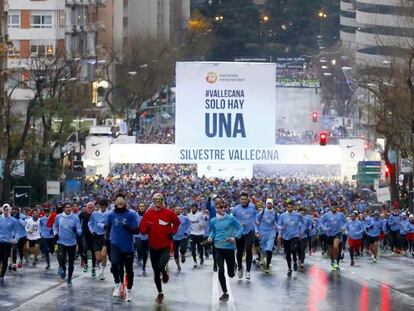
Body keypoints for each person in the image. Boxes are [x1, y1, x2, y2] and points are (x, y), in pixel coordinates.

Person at [139, 193, 180, 304]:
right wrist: (146, 228)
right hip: (153, 247)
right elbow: (141, 228)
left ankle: (165, 272)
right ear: (153, 201)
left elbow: (177, 223)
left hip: (165, 246)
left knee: (161, 265)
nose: (158, 201)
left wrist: (173, 232)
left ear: (162, 201)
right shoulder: (148, 214)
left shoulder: (169, 213)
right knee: (156, 271)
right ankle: (160, 293)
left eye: (160, 200)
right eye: (155, 200)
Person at [208, 196, 243, 302]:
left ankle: (235, 266)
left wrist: (235, 237)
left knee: (231, 274)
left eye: (224, 207)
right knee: (221, 270)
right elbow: (213, 231)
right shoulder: (213, 220)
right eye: (220, 207)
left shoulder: (231, 218)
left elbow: (240, 228)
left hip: (229, 248)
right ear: (216, 209)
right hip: (218, 247)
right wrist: (210, 237)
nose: (222, 209)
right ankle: (225, 292)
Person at [106, 194, 138, 302]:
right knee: (114, 264)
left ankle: (128, 290)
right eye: (118, 203)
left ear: (125, 203)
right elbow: (108, 227)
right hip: (115, 243)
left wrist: (128, 227)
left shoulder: (131, 214)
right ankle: (117, 284)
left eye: (122, 203)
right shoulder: (110, 214)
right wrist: (106, 239)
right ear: (115, 203)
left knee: (129, 270)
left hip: (128, 246)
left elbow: (136, 230)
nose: (119, 205)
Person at [53, 202, 82, 286]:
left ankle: (69, 279)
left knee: (71, 262)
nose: (68, 208)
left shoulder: (75, 218)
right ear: (63, 209)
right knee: (61, 258)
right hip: (61, 241)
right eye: (66, 207)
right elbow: (54, 226)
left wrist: (76, 231)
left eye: (70, 207)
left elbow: (80, 231)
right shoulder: (59, 217)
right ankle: (63, 267)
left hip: (72, 243)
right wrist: (55, 234)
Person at [232, 192, 256, 280]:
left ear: (248, 200)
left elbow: (255, 216)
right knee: (239, 251)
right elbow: (232, 220)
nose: (243, 201)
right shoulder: (235, 209)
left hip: (249, 231)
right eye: (242, 199)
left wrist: (256, 224)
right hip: (239, 232)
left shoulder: (252, 207)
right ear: (239, 200)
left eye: (245, 199)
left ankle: (248, 271)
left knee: (249, 248)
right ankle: (240, 267)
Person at [277, 200, 302, 277]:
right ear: (286, 207)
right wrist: (281, 228)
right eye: (288, 207)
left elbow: (302, 222)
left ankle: (294, 261)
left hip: (295, 236)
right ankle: (289, 268)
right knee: (287, 254)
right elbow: (278, 225)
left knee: (293, 249)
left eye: (291, 207)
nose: (290, 208)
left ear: (293, 207)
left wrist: (300, 229)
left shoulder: (298, 215)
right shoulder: (282, 215)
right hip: (285, 237)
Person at [319, 201, 346, 271]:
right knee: (330, 251)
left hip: (337, 233)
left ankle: (336, 261)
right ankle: (332, 262)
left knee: (336, 247)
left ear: (337, 207)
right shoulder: (326, 215)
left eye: (335, 206)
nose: (334, 207)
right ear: (331, 207)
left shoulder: (341, 215)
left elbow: (346, 222)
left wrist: (343, 227)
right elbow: (320, 222)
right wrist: (325, 228)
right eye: (333, 206)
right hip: (329, 234)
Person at [88, 199, 109, 280]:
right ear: (99, 206)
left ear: (106, 207)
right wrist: (92, 231)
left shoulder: (109, 214)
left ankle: (102, 273)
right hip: (96, 236)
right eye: (101, 207)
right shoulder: (94, 214)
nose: (102, 209)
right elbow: (90, 223)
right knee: (98, 258)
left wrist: (106, 229)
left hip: (105, 237)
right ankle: (99, 264)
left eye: (104, 207)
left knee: (104, 255)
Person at [255, 198, 277, 273]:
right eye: (268, 203)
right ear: (266, 204)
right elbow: (255, 221)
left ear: (272, 204)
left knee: (269, 249)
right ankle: (262, 257)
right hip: (262, 233)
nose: (269, 204)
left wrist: (277, 227)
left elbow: (278, 222)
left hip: (271, 233)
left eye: (270, 203)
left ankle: (267, 266)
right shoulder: (262, 212)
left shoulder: (275, 213)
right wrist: (257, 231)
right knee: (263, 249)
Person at [0, 204, 18, 283]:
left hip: (7, 242)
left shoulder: (13, 220)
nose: (6, 211)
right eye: (5, 209)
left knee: (5, 259)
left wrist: (15, 239)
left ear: (9, 210)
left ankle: (2, 275)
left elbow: (17, 231)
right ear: (2, 210)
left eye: (7, 210)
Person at [79, 202, 96, 276]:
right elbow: (77, 221)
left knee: (93, 252)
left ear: (93, 208)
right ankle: (86, 264)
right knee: (84, 249)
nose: (89, 209)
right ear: (86, 208)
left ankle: (93, 268)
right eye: (88, 207)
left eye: (91, 207)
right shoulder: (82, 214)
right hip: (84, 234)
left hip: (93, 235)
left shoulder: (95, 214)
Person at [173, 206, 191, 272]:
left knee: (183, 249)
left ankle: (183, 254)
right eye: (176, 209)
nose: (177, 210)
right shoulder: (171, 218)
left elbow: (189, 225)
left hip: (183, 236)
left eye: (179, 209)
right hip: (174, 237)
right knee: (175, 252)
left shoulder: (185, 218)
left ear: (181, 210)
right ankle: (178, 266)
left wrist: (187, 232)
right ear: (174, 210)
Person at [188, 203, 206, 267]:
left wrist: (202, 225)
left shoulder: (200, 214)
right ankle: (195, 261)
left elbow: (205, 220)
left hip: (200, 233)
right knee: (193, 248)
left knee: (200, 248)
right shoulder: (189, 215)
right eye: (193, 207)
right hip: (192, 233)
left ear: (197, 208)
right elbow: (188, 224)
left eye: (195, 208)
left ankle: (201, 258)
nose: (194, 209)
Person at [134, 202, 149, 275]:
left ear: (145, 207)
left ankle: (144, 266)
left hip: (146, 236)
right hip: (137, 235)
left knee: (145, 252)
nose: (142, 207)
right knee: (139, 246)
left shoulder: (148, 215)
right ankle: (139, 257)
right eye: (140, 206)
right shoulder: (135, 215)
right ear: (138, 207)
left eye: (143, 206)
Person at [298, 207, 312, 272]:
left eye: (302, 211)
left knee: (302, 249)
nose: (301, 212)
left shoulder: (308, 218)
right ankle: (299, 259)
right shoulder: (296, 218)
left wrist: (309, 229)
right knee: (298, 249)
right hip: (296, 236)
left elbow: (310, 226)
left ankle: (302, 263)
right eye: (300, 211)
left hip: (304, 236)